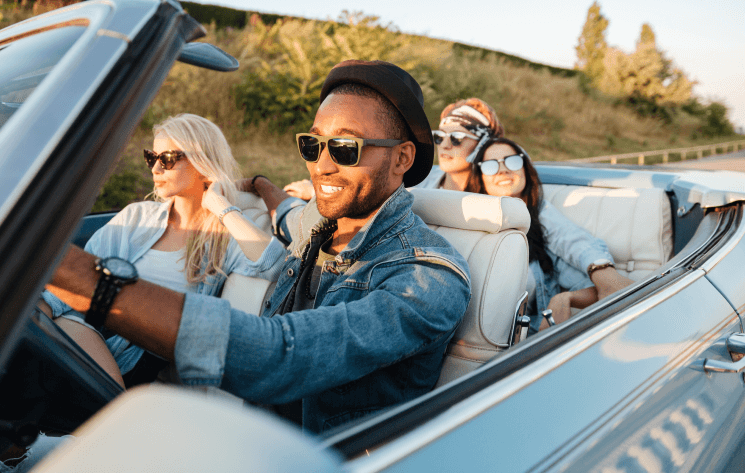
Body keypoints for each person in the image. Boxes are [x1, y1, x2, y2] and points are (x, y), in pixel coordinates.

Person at [45, 60, 471, 433]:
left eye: (345, 147)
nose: (321, 164)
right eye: (313, 143)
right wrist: (260, 186)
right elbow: (288, 212)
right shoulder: (318, 222)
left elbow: (280, 356)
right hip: (252, 434)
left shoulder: (426, 277)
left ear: (401, 159)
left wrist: (76, 275)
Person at [40, 114, 286, 387]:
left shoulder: (222, 238)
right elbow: (78, 279)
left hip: (136, 362)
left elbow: (274, 264)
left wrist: (221, 206)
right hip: (84, 334)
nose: (155, 169)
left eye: (167, 159)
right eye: (151, 157)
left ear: (202, 162)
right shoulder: (136, 217)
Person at [470, 137, 633, 331]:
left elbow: (570, 239)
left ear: (525, 169)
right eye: (490, 165)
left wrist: (567, 297)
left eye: (512, 160)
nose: (503, 170)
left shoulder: (540, 231)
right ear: (480, 177)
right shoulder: (464, 221)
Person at [283, 97, 503, 200]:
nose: (445, 144)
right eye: (439, 137)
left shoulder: (500, 190)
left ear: (484, 143)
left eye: (456, 138)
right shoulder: (422, 177)